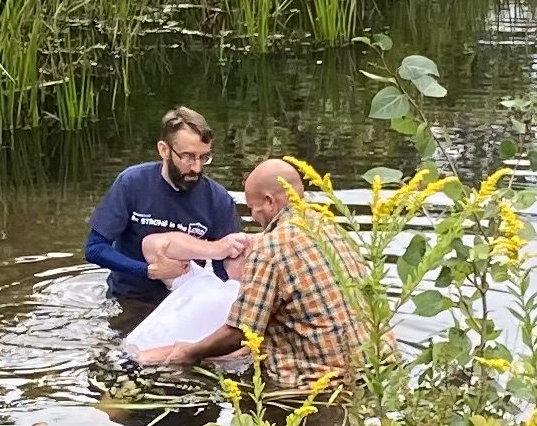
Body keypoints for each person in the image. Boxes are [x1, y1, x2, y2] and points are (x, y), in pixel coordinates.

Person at [138, 159, 372, 392]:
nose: (252, 219)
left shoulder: (270, 248)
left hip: (316, 382)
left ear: (269, 201)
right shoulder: (331, 229)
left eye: (252, 208)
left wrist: (189, 352)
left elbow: (240, 333)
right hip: (371, 367)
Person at [85, 107, 245, 306]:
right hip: (131, 299)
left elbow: (226, 266)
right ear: (164, 150)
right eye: (188, 156)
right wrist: (148, 271)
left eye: (204, 157)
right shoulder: (131, 183)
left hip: (185, 301)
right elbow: (95, 249)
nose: (197, 167)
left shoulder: (218, 199)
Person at [124, 232, 251, 355]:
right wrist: (216, 248)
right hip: (122, 352)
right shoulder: (200, 278)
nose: (244, 244)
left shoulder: (252, 302)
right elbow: (151, 245)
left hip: (159, 364)